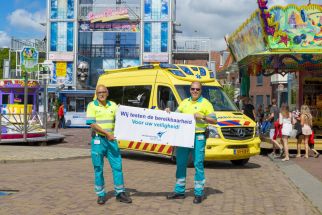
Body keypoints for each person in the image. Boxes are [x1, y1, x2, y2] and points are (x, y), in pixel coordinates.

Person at [165, 81, 217, 204]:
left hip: (198, 137)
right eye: (193, 89)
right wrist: (168, 112)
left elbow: (214, 120)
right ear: (190, 90)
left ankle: (199, 193)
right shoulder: (184, 102)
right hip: (183, 138)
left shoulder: (206, 103)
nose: (195, 91)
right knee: (181, 163)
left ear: (201, 91)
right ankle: (179, 191)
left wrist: (203, 117)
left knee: (198, 164)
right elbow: (175, 117)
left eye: (197, 89)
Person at [86, 85, 132, 205]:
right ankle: (101, 194)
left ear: (107, 93)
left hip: (112, 140)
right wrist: (107, 133)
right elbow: (92, 124)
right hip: (98, 140)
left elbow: (125, 118)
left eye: (103, 92)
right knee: (98, 168)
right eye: (99, 92)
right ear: (96, 94)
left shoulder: (113, 105)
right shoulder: (91, 105)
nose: (101, 94)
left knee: (117, 167)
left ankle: (120, 192)